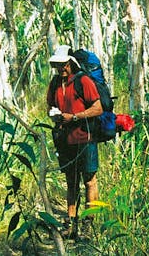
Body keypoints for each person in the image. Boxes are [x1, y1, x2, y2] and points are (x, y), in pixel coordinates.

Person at [46, 45, 103, 240]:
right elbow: (50, 106)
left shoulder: (83, 81)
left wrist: (75, 117)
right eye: (57, 65)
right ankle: (71, 223)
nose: (60, 68)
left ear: (71, 64)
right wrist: (56, 116)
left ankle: (89, 224)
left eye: (63, 64)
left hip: (85, 138)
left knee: (89, 181)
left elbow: (98, 108)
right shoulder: (54, 83)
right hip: (64, 140)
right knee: (71, 182)